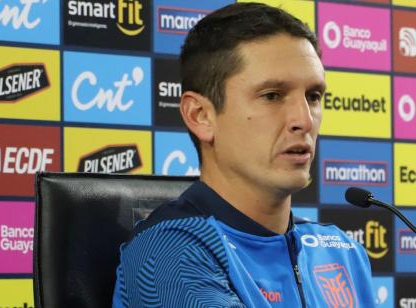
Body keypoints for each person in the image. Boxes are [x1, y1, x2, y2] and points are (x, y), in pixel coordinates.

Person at [112, 3, 375, 307]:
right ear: (201, 116)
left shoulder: (342, 250)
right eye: (272, 96)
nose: (303, 120)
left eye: (313, 96)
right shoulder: (169, 252)